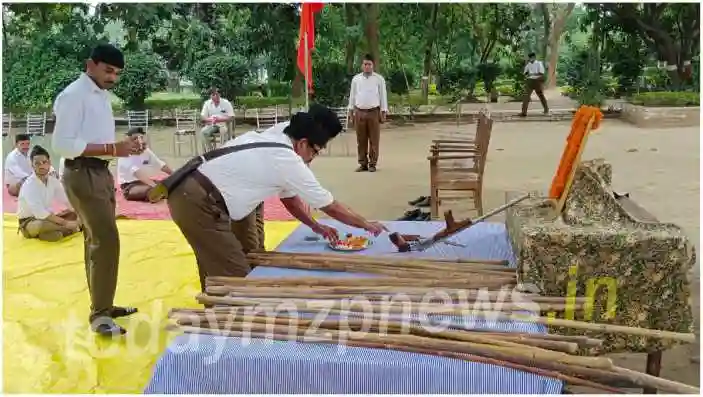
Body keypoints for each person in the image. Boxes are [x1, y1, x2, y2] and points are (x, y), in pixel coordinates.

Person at [167, 105, 387, 292]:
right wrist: (365, 224)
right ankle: (229, 324)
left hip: (206, 193)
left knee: (226, 259)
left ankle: (218, 313)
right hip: (198, 199)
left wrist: (315, 226)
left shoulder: (285, 136)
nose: (314, 157)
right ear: (303, 142)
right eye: (316, 150)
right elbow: (331, 206)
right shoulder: (287, 158)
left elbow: (289, 197)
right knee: (235, 277)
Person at [52, 43, 144, 337]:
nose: (112, 78)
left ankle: (102, 305)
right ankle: (100, 315)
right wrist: (111, 148)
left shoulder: (100, 96)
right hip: (82, 173)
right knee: (105, 240)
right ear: (89, 64)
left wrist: (123, 149)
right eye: (108, 71)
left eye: (117, 73)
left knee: (96, 240)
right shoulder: (73, 96)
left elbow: (96, 139)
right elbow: (62, 144)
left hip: (100, 172)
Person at [17, 145, 81, 242]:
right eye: (37, 163)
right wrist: (66, 223)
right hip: (30, 222)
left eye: (44, 162)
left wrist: (79, 214)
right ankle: (71, 229)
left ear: (49, 163)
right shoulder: (29, 185)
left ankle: (60, 232)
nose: (41, 166)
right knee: (41, 225)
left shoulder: (53, 180)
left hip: (49, 219)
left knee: (74, 214)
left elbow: (66, 200)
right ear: (32, 165)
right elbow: (40, 213)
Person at [347, 54, 388, 173]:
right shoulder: (356, 79)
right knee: (361, 139)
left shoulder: (379, 79)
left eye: (369, 64)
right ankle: (362, 163)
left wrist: (383, 111)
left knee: (374, 139)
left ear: (373, 65)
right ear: (362, 65)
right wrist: (350, 111)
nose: (367, 66)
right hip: (359, 112)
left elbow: (383, 96)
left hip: (374, 112)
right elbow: (352, 96)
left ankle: (372, 163)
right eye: (365, 64)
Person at [117, 127, 173, 202]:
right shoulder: (124, 154)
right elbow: (138, 173)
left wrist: (175, 175)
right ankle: (156, 194)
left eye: (141, 138)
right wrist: (155, 186)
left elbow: (160, 165)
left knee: (168, 184)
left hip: (146, 182)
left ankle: (161, 193)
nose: (139, 141)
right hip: (130, 186)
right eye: (135, 138)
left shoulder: (146, 151)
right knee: (151, 190)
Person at [200, 87, 234, 152]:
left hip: (223, 123)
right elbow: (203, 117)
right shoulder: (207, 103)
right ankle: (210, 152)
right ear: (210, 96)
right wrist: (210, 120)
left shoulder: (226, 103)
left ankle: (222, 151)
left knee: (223, 131)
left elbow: (231, 117)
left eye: (217, 94)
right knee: (203, 132)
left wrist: (220, 119)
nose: (216, 96)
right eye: (213, 95)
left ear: (220, 94)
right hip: (211, 124)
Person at [520, 52, 549, 117]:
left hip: (537, 81)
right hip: (529, 81)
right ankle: (524, 112)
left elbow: (541, 73)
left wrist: (532, 74)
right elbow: (525, 73)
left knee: (541, 95)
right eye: (530, 58)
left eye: (532, 58)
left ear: (534, 57)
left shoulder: (539, 63)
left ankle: (546, 109)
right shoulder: (528, 65)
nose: (531, 59)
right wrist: (526, 74)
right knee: (526, 96)